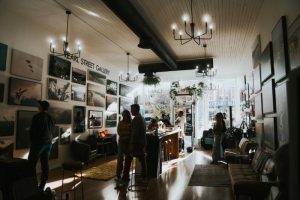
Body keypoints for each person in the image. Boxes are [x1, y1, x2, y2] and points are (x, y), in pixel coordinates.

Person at [28, 100, 55, 191]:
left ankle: (33, 186)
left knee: (31, 165)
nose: (38, 106)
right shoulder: (50, 117)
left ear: (42, 107)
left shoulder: (37, 117)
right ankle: (41, 187)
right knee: (45, 165)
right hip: (48, 143)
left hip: (38, 144)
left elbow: (33, 131)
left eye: (39, 105)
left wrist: (33, 141)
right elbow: (52, 130)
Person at [121, 104, 147, 184]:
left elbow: (134, 134)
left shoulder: (136, 119)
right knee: (142, 160)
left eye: (132, 109)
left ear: (136, 109)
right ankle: (144, 177)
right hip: (142, 143)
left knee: (128, 159)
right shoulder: (142, 118)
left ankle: (125, 179)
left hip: (136, 144)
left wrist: (131, 144)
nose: (131, 111)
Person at [115, 110, 132, 181]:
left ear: (128, 115)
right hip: (121, 142)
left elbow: (131, 132)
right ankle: (118, 175)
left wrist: (125, 134)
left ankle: (126, 175)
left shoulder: (131, 123)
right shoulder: (120, 123)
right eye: (123, 115)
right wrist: (126, 134)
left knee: (128, 160)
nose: (123, 116)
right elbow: (119, 132)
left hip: (128, 143)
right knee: (120, 159)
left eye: (125, 115)